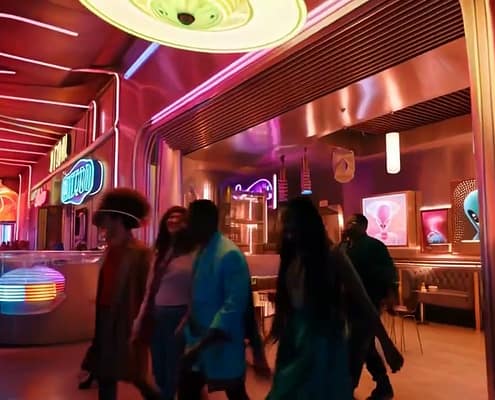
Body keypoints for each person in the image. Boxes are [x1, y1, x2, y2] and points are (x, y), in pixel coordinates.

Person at [266, 197, 403, 400]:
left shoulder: (334, 254)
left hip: (323, 340)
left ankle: (379, 384)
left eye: (288, 221)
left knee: (337, 378)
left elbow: (364, 299)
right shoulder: (292, 257)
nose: (283, 228)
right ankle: (379, 383)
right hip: (297, 340)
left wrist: (387, 343)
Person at [85, 188, 160, 400]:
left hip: (127, 322)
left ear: (118, 219)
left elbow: (148, 292)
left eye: (107, 219)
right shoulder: (110, 250)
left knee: (136, 376)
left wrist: (142, 326)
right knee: (106, 374)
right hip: (105, 318)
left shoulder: (140, 253)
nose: (103, 225)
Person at [178, 199, 251, 400]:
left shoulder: (229, 254)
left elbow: (232, 307)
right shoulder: (203, 250)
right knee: (189, 390)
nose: (186, 226)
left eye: (190, 220)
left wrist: (201, 344)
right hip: (200, 342)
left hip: (219, 344)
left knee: (235, 392)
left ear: (204, 222)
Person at [133, 206, 196, 400]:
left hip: (179, 314)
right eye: (170, 217)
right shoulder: (160, 251)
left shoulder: (194, 253)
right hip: (156, 313)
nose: (173, 221)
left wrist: (188, 316)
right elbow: (150, 287)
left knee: (173, 367)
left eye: (179, 218)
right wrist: (140, 317)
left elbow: (197, 288)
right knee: (158, 367)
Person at [341, 213, 399, 400]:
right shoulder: (345, 247)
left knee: (357, 345)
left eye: (352, 223)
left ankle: (347, 388)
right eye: (347, 223)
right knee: (365, 345)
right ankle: (383, 385)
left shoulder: (375, 246)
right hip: (348, 303)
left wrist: (390, 296)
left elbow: (389, 272)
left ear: (363, 226)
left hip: (369, 301)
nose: (348, 226)